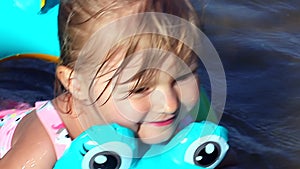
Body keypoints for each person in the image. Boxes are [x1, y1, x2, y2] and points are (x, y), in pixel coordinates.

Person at [0, 0, 218, 168]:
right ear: (76, 84)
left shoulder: (175, 123)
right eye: (141, 88)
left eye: (182, 77)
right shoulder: (45, 141)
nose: (170, 104)